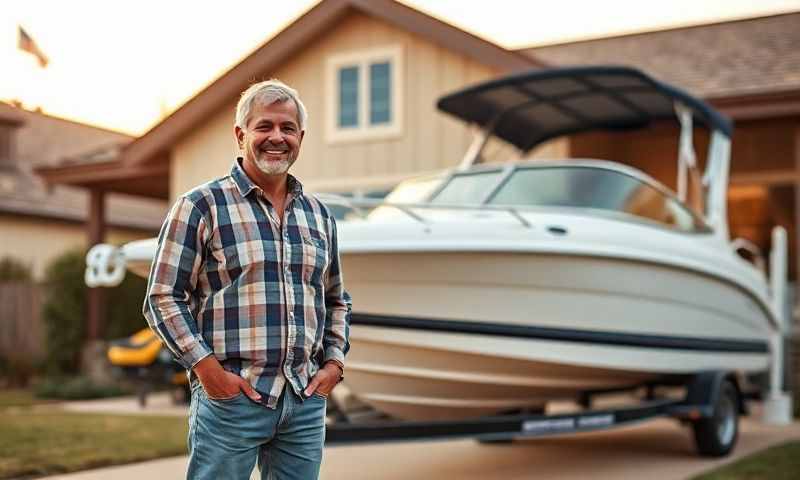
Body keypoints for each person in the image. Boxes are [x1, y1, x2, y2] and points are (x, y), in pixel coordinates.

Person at [143, 79, 351, 480]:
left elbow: (336, 298)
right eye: (265, 126)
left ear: (300, 138)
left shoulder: (319, 215)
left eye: (287, 128)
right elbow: (163, 297)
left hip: (304, 401)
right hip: (230, 400)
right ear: (241, 135)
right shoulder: (200, 206)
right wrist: (209, 372)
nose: (277, 137)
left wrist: (334, 365)